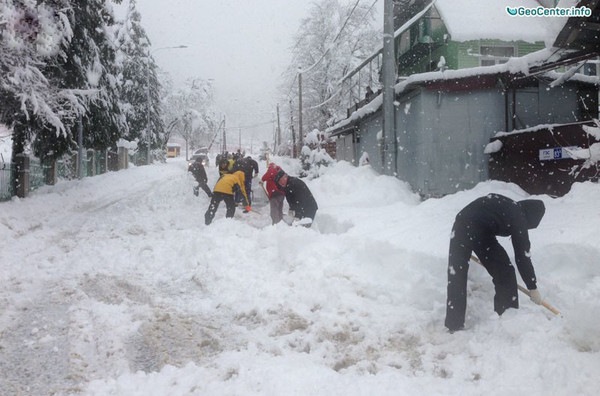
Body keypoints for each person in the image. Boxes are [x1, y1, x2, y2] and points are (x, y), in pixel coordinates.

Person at [445, 193, 546, 332]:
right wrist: (532, 287)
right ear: (531, 218)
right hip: (477, 230)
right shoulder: (519, 217)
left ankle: (454, 323)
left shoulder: (512, 206)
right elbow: (522, 256)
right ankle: (507, 316)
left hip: (461, 225)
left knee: (456, 274)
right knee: (505, 272)